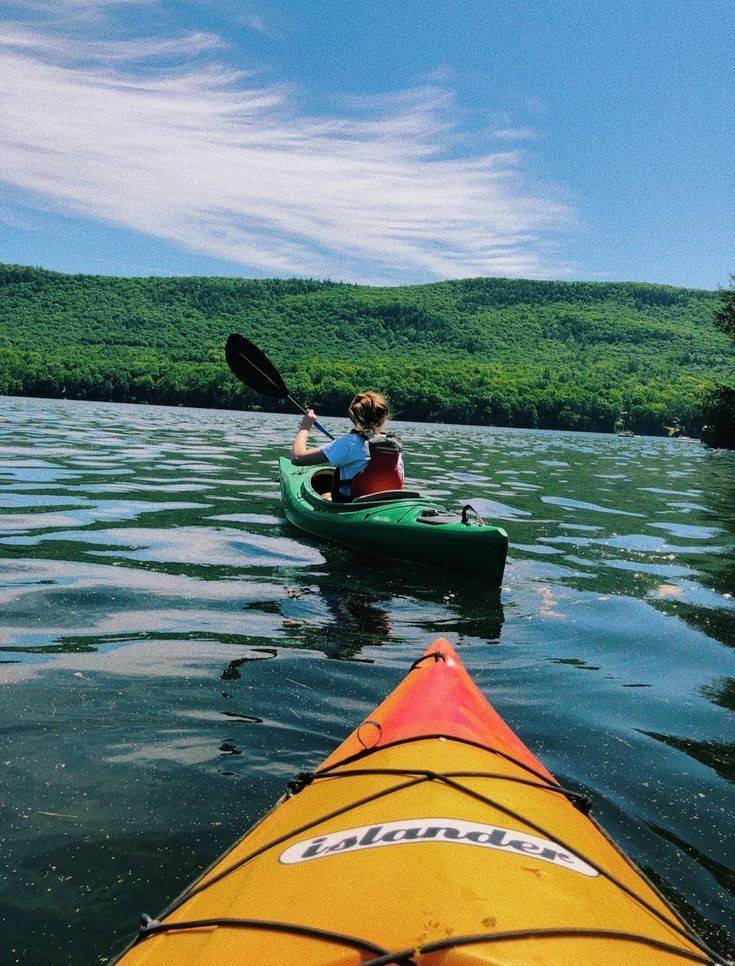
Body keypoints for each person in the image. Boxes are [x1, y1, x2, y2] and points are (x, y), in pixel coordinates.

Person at [291, 391, 404, 501]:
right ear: (383, 417)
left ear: (354, 418)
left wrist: (305, 425)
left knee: (326, 494)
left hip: (352, 505)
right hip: (384, 504)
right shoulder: (393, 447)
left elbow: (297, 458)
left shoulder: (349, 442)